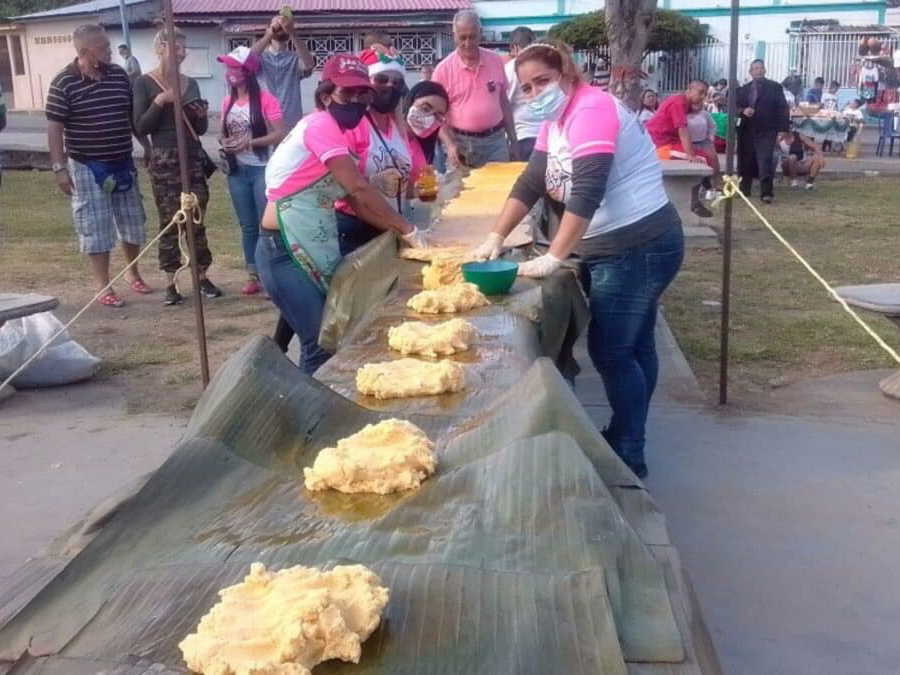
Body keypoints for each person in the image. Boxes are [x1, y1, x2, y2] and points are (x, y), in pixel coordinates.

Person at [470, 41, 683, 479]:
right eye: (526, 88)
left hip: (638, 246)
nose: (534, 93)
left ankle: (628, 450)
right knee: (635, 344)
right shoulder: (557, 120)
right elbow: (532, 180)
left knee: (612, 351)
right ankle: (631, 430)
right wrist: (495, 235)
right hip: (619, 247)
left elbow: (587, 191)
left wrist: (554, 256)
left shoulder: (591, 110)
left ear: (568, 72)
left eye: (543, 81)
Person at [259, 53, 426, 374]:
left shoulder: (332, 130)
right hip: (281, 249)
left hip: (308, 244)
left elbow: (357, 192)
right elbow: (358, 192)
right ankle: (311, 418)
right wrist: (408, 231)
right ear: (325, 96)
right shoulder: (320, 125)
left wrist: (379, 196)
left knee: (330, 333)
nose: (356, 101)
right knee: (320, 343)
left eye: (362, 94)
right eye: (346, 93)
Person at [47, 24, 150, 308]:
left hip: (122, 161)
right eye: (103, 47)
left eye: (108, 45)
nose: (110, 50)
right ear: (84, 52)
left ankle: (134, 273)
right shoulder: (63, 83)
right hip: (86, 165)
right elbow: (54, 127)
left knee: (133, 221)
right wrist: (59, 168)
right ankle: (104, 286)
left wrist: (146, 145)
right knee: (96, 227)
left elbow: (130, 115)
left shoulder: (118, 75)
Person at [134, 28, 222, 305]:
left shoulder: (190, 84)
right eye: (177, 47)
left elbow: (200, 127)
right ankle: (170, 281)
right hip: (164, 157)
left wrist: (200, 115)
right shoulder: (144, 83)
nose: (183, 53)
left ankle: (202, 275)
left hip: (192, 155)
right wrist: (160, 101)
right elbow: (141, 126)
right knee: (170, 219)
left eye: (185, 48)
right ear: (160, 47)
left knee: (196, 216)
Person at [335, 49, 421, 255]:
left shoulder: (397, 126)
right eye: (381, 79)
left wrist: (418, 190)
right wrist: (372, 182)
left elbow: (402, 180)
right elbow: (343, 187)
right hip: (356, 225)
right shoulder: (354, 125)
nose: (390, 86)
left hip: (392, 223)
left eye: (397, 82)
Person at [218, 46, 286, 296]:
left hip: (260, 169)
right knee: (246, 226)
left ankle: (271, 276)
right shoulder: (227, 102)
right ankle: (252, 274)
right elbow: (225, 132)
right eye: (228, 67)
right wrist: (226, 143)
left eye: (235, 67)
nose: (230, 72)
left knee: (264, 225)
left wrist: (251, 143)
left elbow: (280, 132)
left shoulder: (266, 99)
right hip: (237, 170)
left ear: (248, 71)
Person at [433, 9, 518, 168]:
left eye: (472, 36)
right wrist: (450, 145)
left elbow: (503, 102)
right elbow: (435, 115)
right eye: (462, 37)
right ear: (454, 36)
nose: (467, 43)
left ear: (480, 33)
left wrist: (513, 140)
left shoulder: (495, 60)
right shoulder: (442, 70)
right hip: (462, 145)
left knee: (499, 189)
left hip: (496, 142)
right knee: (463, 191)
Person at [645, 80, 714, 217]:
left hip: (668, 142)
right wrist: (690, 155)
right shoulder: (679, 102)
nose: (702, 97)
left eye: (705, 94)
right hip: (660, 145)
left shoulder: (684, 103)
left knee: (704, 157)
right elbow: (682, 130)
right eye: (700, 92)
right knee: (703, 158)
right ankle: (694, 202)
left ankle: (697, 197)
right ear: (689, 89)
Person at [735, 60, 790, 204]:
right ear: (750, 72)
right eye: (755, 69)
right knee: (746, 160)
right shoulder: (743, 89)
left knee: (765, 160)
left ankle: (766, 192)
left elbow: (783, 108)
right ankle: (744, 188)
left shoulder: (774, 87)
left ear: (765, 70)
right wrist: (743, 111)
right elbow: (734, 107)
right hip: (746, 130)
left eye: (760, 68)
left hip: (767, 130)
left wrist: (783, 129)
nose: (758, 71)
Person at [250, 13, 315, 132]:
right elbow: (247, 59)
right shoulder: (261, 58)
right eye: (277, 24)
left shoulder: (295, 58)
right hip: (265, 119)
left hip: (290, 120)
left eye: (284, 25)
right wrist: (269, 34)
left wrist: (292, 33)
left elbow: (309, 65)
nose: (281, 27)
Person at [505, 26, 541, 160]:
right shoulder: (542, 64)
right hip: (546, 134)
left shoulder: (511, 68)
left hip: (523, 136)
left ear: (515, 47)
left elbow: (504, 103)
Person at [404, 80, 449, 164]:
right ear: (411, 100)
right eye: (425, 108)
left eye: (438, 115)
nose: (430, 118)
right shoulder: (388, 137)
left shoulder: (426, 144)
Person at [686, 101, 721, 199]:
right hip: (690, 144)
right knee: (698, 166)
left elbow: (712, 126)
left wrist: (710, 138)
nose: (697, 105)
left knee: (713, 162)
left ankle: (713, 188)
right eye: (694, 104)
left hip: (704, 142)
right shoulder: (684, 114)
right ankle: (702, 188)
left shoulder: (705, 113)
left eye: (698, 104)